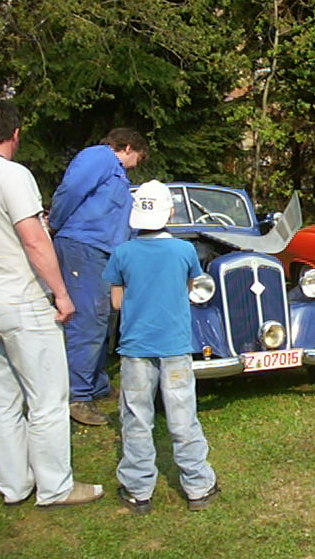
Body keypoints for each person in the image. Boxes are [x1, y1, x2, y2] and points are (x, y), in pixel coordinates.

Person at [0, 98, 104, 507]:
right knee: (48, 397)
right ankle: (55, 486)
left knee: (4, 398)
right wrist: (61, 293)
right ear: (15, 134)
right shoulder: (12, 176)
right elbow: (34, 239)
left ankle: (14, 485)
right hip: (21, 298)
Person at [102, 180, 219, 514]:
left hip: (136, 346)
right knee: (183, 416)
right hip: (175, 345)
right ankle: (198, 486)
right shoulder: (185, 251)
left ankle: (138, 490)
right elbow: (189, 288)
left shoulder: (122, 253)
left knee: (137, 417)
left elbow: (116, 302)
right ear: (170, 213)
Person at [49, 128, 148, 426]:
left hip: (101, 252)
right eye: (137, 159)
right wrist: (56, 223)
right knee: (87, 320)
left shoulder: (115, 172)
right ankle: (77, 396)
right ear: (127, 147)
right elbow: (71, 190)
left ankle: (96, 384)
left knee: (102, 318)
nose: (135, 166)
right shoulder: (99, 157)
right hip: (83, 247)